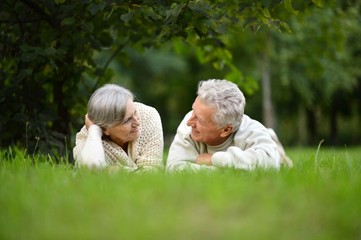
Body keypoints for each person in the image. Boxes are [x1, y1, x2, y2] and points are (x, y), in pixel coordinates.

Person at [166, 79, 293, 172]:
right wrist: (231, 171)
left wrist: (213, 160)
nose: (190, 122)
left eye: (199, 119)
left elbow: (270, 165)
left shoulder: (251, 132)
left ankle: (273, 143)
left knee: (277, 159)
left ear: (226, 130)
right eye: (193, 110)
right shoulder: (189, 124)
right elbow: (174, 169)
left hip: (263, 145)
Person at [73, 83, 164, 171]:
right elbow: (89, 169)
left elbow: (152, 172)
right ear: (105, 128)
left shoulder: (147, 115)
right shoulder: (88, 140)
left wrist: (113, 171)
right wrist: (94, 131)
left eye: (135, 112)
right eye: (127, 120)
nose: (137, 122)